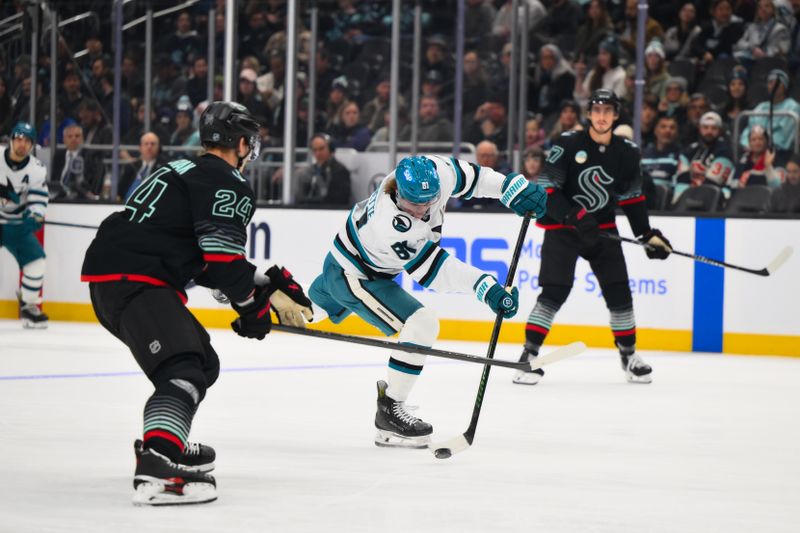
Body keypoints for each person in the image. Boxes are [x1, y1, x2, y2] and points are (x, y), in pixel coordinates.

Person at [79, 102, 313, 506]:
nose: (250, 151)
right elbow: (221, 260)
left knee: (202, 362)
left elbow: (196, 255)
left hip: (119, 279)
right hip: (135, 281)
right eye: (249, 142)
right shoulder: (228, 182)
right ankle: (158, 460)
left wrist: (263, 284)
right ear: (239, 142)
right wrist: (253, 307)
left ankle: (169, 434)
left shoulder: (182, 169)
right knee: (183, 366)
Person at [308, 155, 547, 448]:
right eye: (414, 204)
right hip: (353, 273)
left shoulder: (438, 172)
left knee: (301, 311)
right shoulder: (393, 223)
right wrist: (485, 287)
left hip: (357, 263)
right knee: (421, 324)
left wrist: (512, 187)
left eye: (429, 202)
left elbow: (475, 178)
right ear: (397, 192)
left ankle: (257, 296)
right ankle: (390, 412)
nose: (423, 210)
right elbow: (434, 270)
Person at [514, 89, 672, 387]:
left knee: (620, 292)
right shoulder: (568, 143)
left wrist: (646, 235)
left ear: (615, 115)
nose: (601, 116)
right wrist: (572, 215)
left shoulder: (627, 151)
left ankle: (629, 356)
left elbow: (632, 199)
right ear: (589, 114)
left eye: (607, 111)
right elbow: (548, 190)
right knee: (554, 291)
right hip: (562, 228)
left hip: (602, 230)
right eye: (596, 110)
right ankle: (528, 354)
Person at [0, 122, 49, 328]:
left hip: (17, 225)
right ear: (11, 139)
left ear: (31, 145)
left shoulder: (37, 169)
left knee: (37, 263)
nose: (21, 144)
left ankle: (28, 306)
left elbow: (39, 198)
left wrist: (36, 216)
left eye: (27, 141)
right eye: (18, 139)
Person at [295, 133, 351, 205]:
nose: (318, 153)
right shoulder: (310, 171)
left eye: (321, 149)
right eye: (315, 150)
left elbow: (340, 200)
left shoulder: (341, 171)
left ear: (330, 149)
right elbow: (301, 197)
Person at [118, 132, 167, 202]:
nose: (149, 147)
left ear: (159, 147)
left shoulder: (163, 168)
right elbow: (120, 191)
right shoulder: (131, 167)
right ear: (140, 147)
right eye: (146, 144)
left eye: (152, 144)